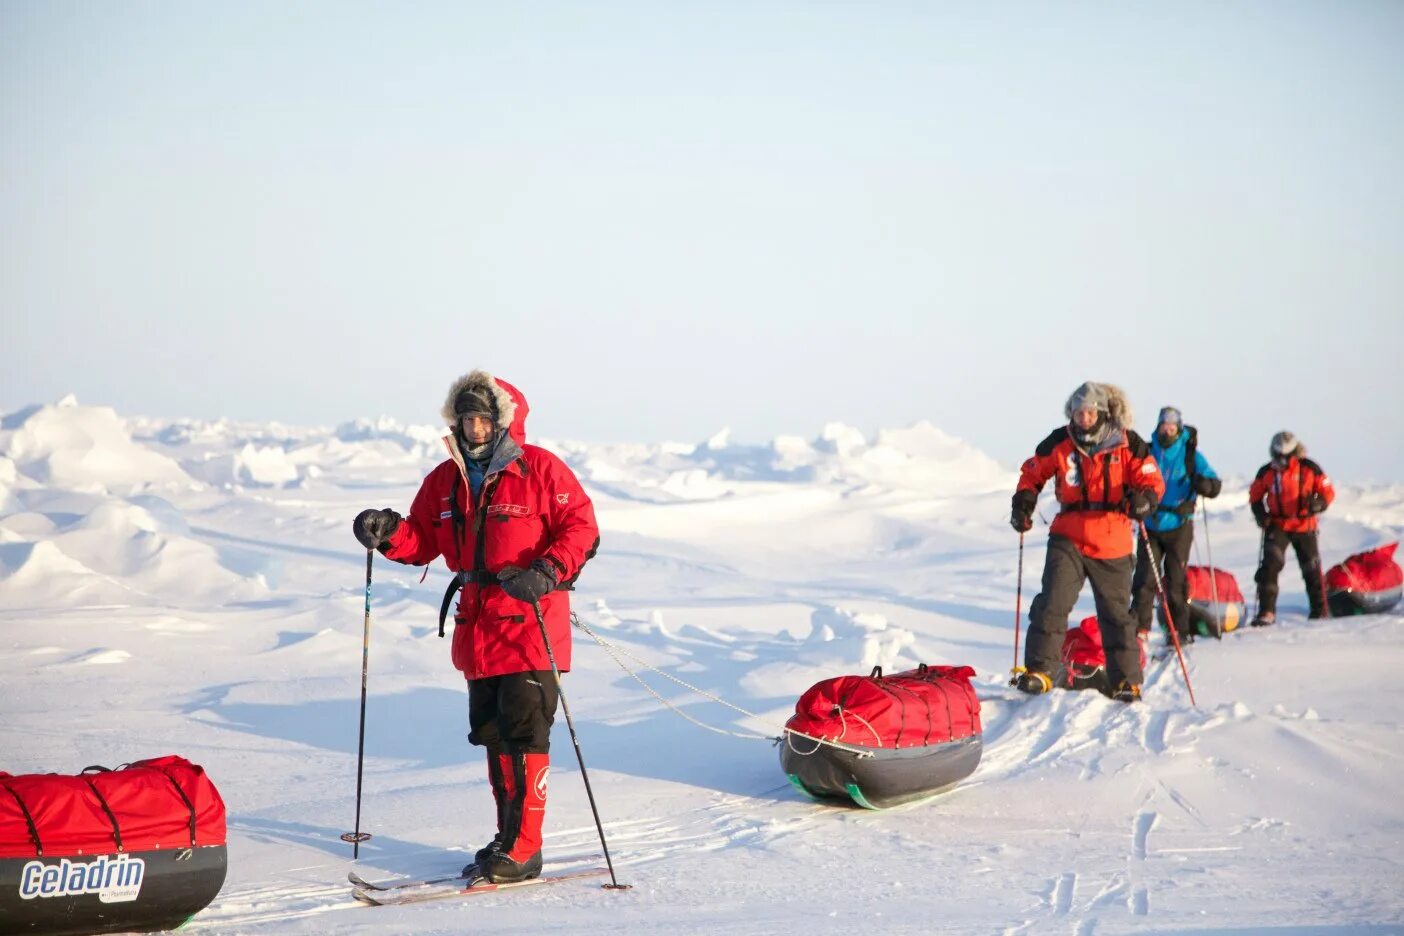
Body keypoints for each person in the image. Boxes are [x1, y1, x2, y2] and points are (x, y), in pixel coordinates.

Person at [352, 370, 600, 883]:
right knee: (493, 736)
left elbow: (582, 528)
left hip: (532, 624)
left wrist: (548, 571)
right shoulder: (446, 479)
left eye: (485, 419)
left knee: (525, 733)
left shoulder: (542, 471)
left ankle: (526, 847)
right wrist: (389, 531)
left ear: (505, 422)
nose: (476, 428)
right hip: (478, 627)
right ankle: (508, 836)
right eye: (468, 418)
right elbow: (424, 540)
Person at [1010, 382, 1165, 703]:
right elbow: (1033, 473)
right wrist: (1023, 503)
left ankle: (1126, 681)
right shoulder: (1059, 442)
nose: (1083, 418)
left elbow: (1151, 480)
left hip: (1113, 538)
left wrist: (1145, 500)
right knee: (1052, 603)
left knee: (1116, 614)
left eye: (1090, 412)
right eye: (1078, 412)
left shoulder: (1128, 443)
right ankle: (1040, 671)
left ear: (1103, 413)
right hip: (1068, 535)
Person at [1130, 407, 1222, 644]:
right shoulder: (1148, 450)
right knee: (1144, 578)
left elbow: (1213, 482)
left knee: (1175, 579)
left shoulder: (1190, 455)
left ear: (1179, 429)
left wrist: (1206, 485)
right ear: (1158, 426)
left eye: (1172, 426)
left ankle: (1178, 631)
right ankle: (1139, 629)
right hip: (1149, 523)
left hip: (1179, 525)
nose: (1167, 430)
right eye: (1164, 425)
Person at [1247, 431, 1334, 625]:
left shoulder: (1310, 468)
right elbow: (1254, 495)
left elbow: (1328, 492)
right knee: (1269, 566)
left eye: (1286, 456)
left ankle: (1319, 610)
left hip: (1304, 524)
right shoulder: (1267, 472)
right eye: (1278, 456)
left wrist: (1317, 504)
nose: (1281, 460)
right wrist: (1261, 514)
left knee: (1311, 568)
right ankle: (1266, 612)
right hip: (1277, 525)